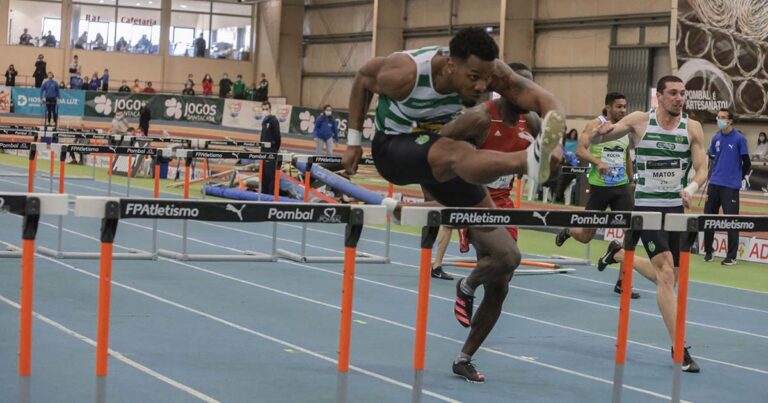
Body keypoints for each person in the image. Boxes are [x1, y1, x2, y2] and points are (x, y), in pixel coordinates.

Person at [340, 27, 566, 383]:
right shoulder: (406, 72)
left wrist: (554, 138)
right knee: (458, 153)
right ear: (449, 66)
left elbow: (545, 100)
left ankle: (466, 332)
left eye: (487, 80)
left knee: (507, 257)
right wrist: (353, 140)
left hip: (438, 157)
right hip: (394, 150)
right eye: (474, 78)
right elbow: (362, 79)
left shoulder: (495, 74)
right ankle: (526, 162)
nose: (481, 88)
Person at [591, 75, 707, 373]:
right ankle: (679, 347)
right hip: (647, 207)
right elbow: (603, 135)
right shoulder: (640, 120)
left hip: (676, 209)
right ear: (660, 96)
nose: (680, 98)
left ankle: (617, 253)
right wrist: (598, 132)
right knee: (667, 275)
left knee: (667, 278)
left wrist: (691, 189)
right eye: (673, 93)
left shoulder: (691, 128)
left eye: (683, 93)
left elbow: (702, 167)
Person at [430, 63, 541, 281]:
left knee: (505, 271)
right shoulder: (479, 117)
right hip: (476, 199)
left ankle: (468, 288)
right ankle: (443, 268)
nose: (526, 92)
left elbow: (545, 159)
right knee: (501, 256)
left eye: (529, 86)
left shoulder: (531, 120)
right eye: (520, 86)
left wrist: (530, 161)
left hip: (504, 200)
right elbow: (438, 148)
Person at [555, 92, 647, 298]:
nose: (623, 110)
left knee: (632, 232)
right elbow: (580, 151)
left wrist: (631, 180)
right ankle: (570, 231)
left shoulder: (625, 127)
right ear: (608, 107)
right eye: (618, 107)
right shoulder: (594, 126)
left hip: (621, 187)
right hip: (599, 188)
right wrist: (598, 163)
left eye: (625, 107)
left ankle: (623, 283)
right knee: (586, 237)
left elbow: (626, 156)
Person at [702, 108, 750, 265]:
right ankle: (709, 251)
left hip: (730, 187)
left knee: (731, 221)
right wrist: (710, 176)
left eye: (723, 118)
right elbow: (712, 158)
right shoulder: (715, 138)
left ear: (730, 121)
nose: (719, 120)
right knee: (709, 219)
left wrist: (739, 177)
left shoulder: (739, 139)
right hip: (714, 184)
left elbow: (747, 163)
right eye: (718, 117)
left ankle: (732, 256)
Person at [259, 101, 281, 195]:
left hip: (271, 151)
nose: (265, 111)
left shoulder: (274, 121)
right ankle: (263, 193)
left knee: (270, 175)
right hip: (263, 151)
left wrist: (274, 150)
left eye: (266, 109)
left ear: (270, 109)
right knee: (263, 174)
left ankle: (270, 195)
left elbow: (277, 137)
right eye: (263, 109)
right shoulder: (264, 121)